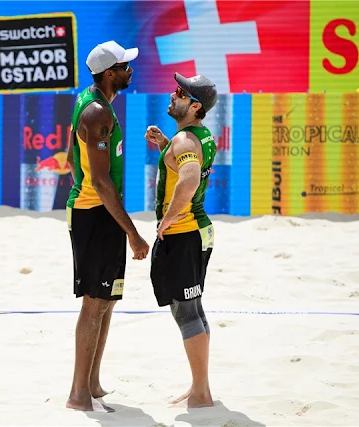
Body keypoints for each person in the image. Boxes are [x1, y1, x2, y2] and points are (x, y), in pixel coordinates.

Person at [65, 40, 150, 413]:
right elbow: (99, 182)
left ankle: (93, 384)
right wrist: (132, 232)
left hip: (100, 212)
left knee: (108, 301)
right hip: (95, 213)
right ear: (110, 73)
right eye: (125, 66)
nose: (131, 70)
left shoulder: (93, 102)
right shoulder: (98, 112)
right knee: (94, 303)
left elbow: (71, 158)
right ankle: (77, 395)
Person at [144, 73, 218, 409]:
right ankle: (199, 386)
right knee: (194, 309)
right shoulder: (200, 138)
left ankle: (201, 393)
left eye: (180, 93)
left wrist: (169, 217)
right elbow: (187, 166)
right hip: (199, 231)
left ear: (195, 105)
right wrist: (164, 145)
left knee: (186, 313)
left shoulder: (186, 141)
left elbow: (187, 181)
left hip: (185, 232)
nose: (173, 95)